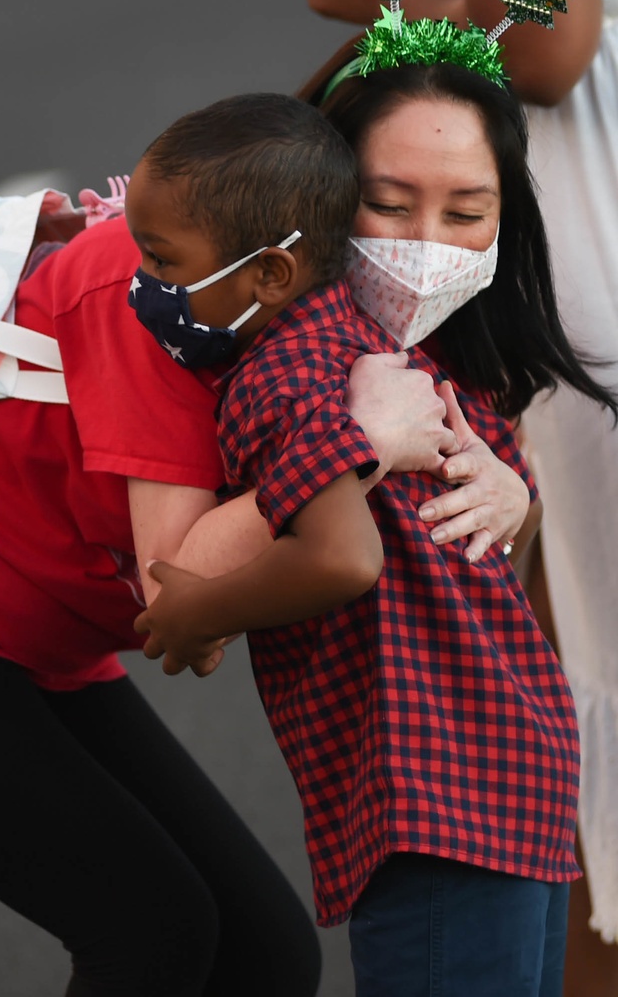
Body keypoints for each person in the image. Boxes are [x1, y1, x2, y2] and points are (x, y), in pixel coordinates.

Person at [0, 146, 508, 990]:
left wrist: (503, 480)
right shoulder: (165, 288)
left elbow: (461, 468)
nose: (427, 241)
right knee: (150, 932)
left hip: (30, 624)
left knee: (264, 957)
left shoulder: (343, 307)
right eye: (394, 202)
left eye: (466, 212)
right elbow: (182, 586)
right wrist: (358, 446)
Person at [127, 87, 618, 996]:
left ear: (273, 266)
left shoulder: (288, 372)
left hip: (434, 789)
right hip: (516, 766)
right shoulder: (389, 354)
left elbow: (341, 558)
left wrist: (198, 611)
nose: (147, 285)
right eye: (389, 204)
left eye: (163, 260)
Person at [288, 0, 618, 990]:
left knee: (566, 700)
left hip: (567, 211)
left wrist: (420, 6)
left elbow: (545, 37)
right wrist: (440, 2)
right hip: (499, 202)